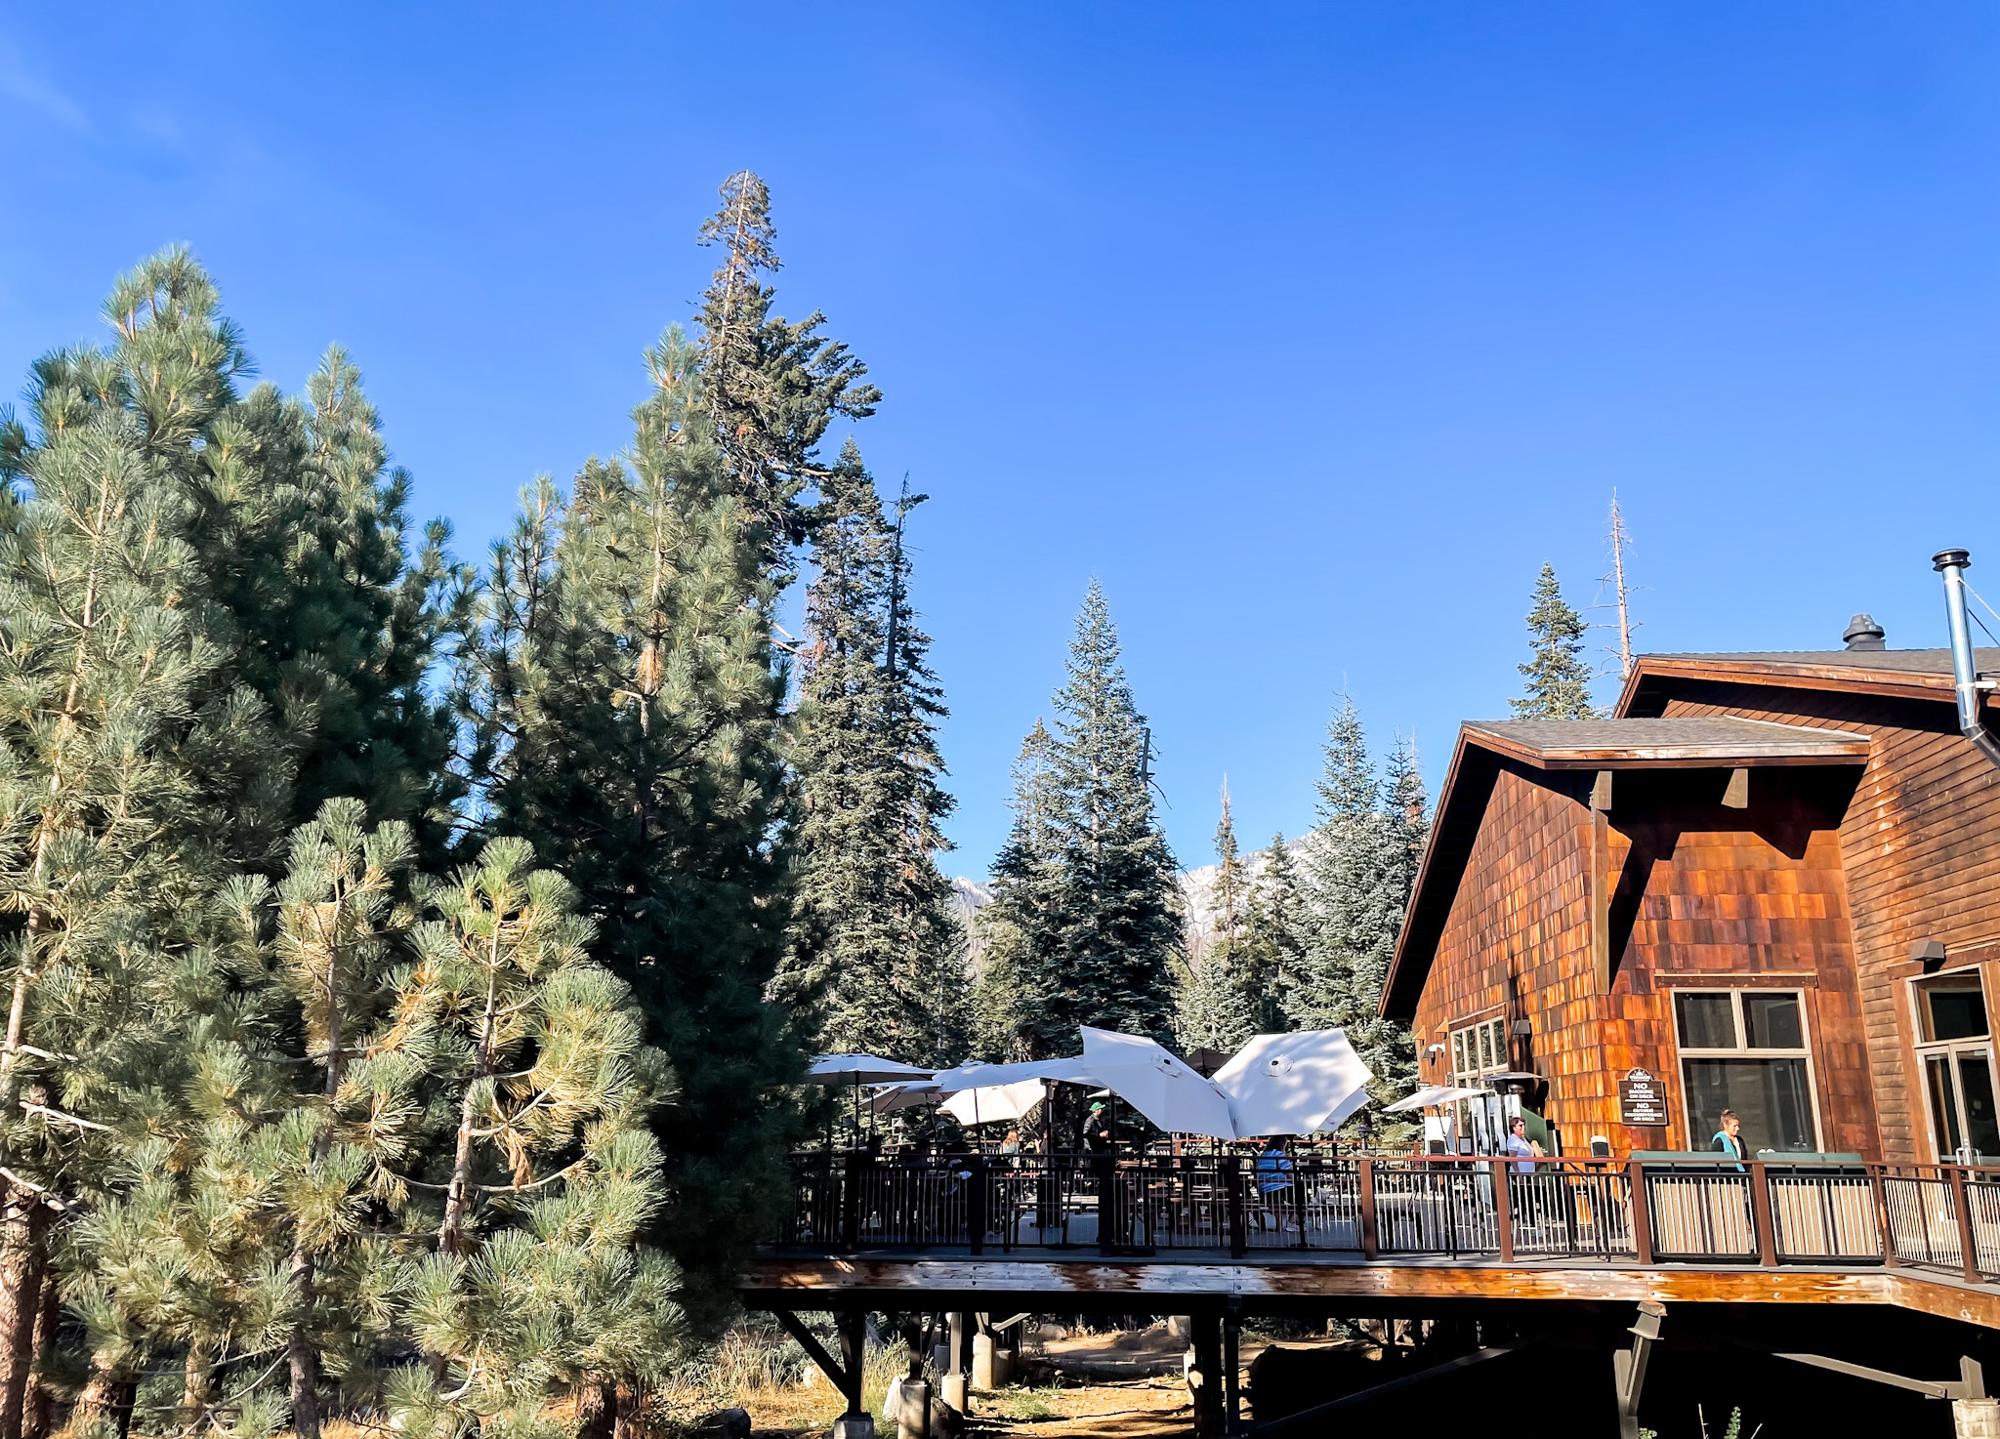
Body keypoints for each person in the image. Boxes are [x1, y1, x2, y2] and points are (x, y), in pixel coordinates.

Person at [1254, 1136, 1295, 1233]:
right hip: (1279, 1189)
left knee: (1281, 1201)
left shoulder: (1262, 1156)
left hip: (1264, 1191)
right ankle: (1293, 1220)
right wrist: (1294, 1181)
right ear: (1282, 1144)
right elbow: (1290, 1174)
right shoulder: (1279, 1155)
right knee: (1302, 1194)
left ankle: (1285, 1223)